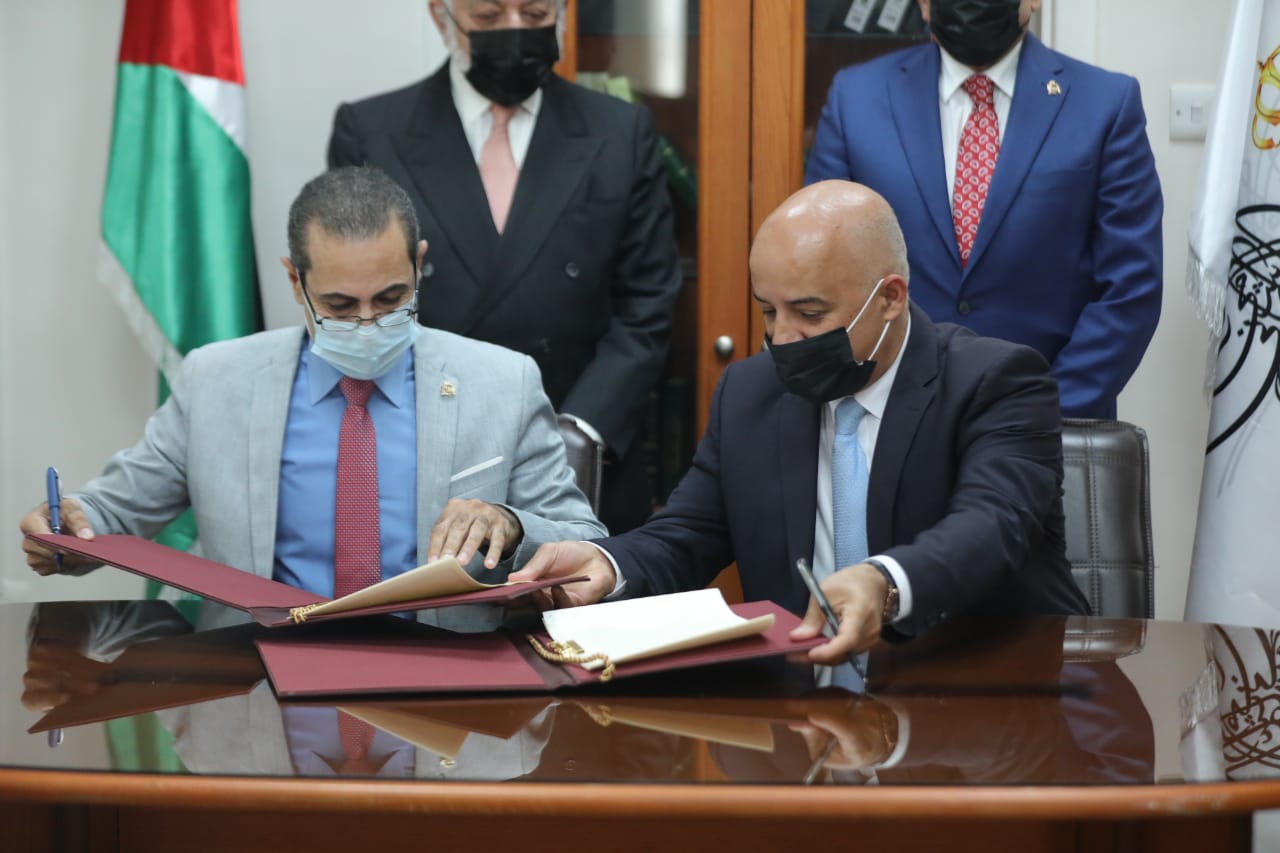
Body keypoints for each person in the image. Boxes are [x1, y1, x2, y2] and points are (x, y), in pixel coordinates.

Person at [511, 180, 1090, 663]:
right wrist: (607, 562)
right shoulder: (750, 393)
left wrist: (884, 581)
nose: (783, 339)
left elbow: (991, 526)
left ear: (890, 297)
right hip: (802, 706)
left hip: (983, 701)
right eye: (769, 311)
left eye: (810, 313)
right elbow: (687, 533)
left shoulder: (995, 382)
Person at [20, 166, 605, 633]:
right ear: (295, 281)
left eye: (391, 298)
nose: (369, 322)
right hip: (258, 680)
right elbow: (114, 512)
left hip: (446, 685)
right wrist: (67, 529)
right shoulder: (216, 381)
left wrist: (509, 523)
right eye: (340, 306)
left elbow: (587, 540)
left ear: (419, 263)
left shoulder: (503, 382)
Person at [327, 0, 683, 534]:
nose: (514, 30)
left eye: (534, 13)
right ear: (441, 16)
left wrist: (578, 433)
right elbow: (356, 308)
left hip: (584, 459)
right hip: (425, 457)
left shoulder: (621, 130)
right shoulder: (372, 132)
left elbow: (648, 304)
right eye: (490, 17)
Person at [805, 0, 1162, 419]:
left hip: (1048, 425)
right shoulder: (856, 97)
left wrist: (1042, 412)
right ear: (923, 4)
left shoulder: (1106, 103)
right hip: (886, 418)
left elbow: (1130, 286)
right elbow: (821, 264)